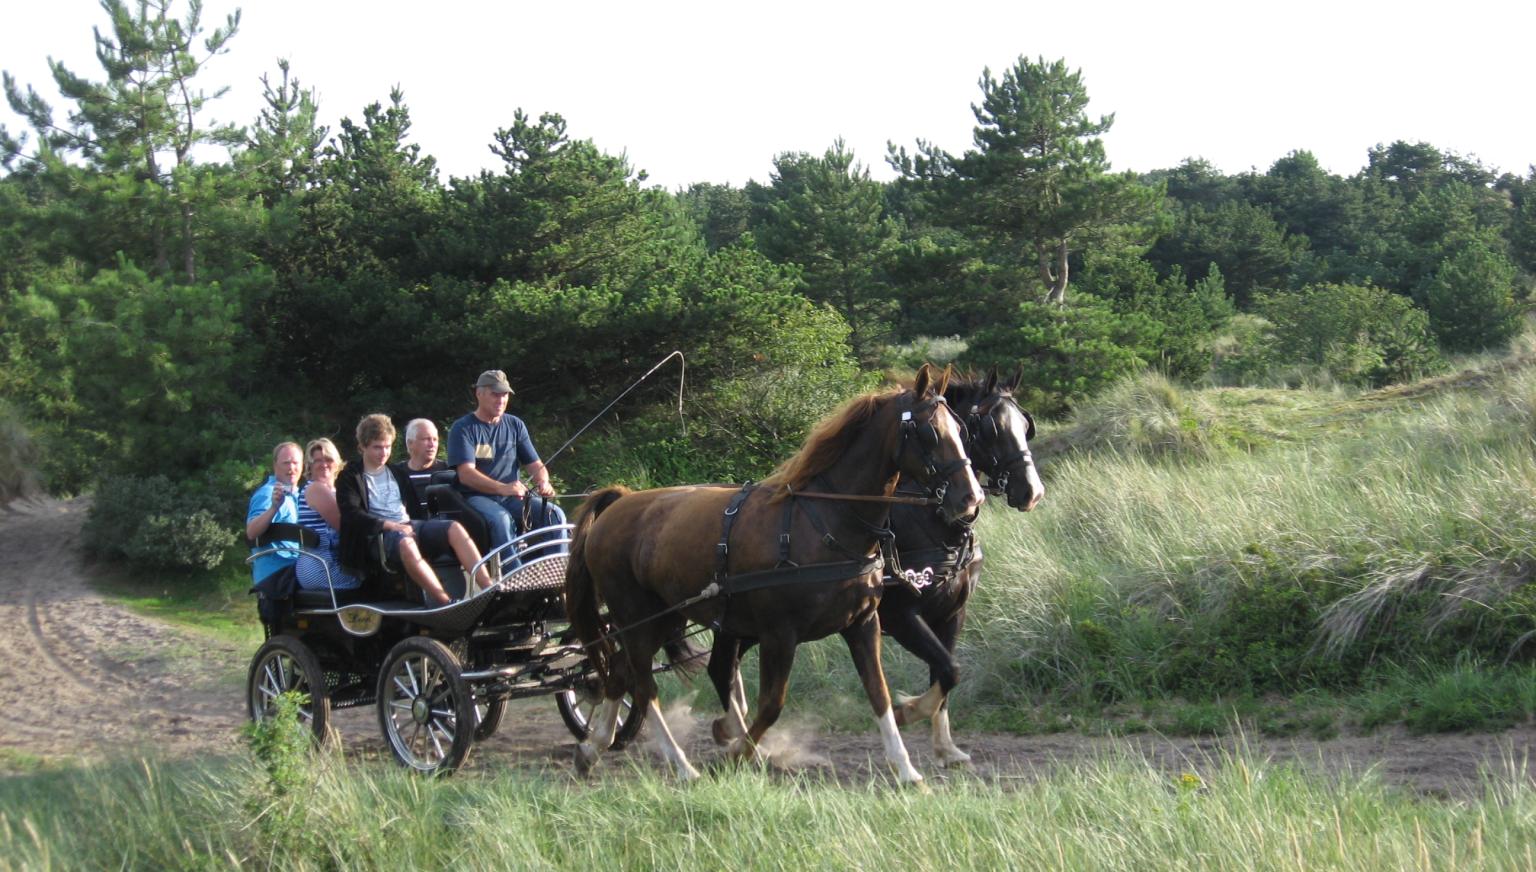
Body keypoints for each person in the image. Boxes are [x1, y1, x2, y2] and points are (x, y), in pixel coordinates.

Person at [336, 414, 494, 605]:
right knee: (406, 543)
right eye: (377, 447)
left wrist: (426, 531)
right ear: (363, 447)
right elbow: (352, 515)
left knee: (453, 528)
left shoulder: (397, 473)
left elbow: (414, 511)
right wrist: (390, 525)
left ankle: (490, 589)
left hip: (408, 526)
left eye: (387, 447)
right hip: (378, 536)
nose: (384, 452)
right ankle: (445, 602)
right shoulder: (350, 477)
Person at [446, 369, 566, 564]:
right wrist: (504, 488)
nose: (501, 400)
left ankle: (553, 570)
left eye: (505, 395)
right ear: (479, 393)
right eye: (495, 394)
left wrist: (543, 482)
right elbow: (466, 474)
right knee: (501, 520)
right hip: (475, 497)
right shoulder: (463, 428)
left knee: (555, 514)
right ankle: (514, 576)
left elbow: (535, 464)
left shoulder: (515, 425)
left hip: (512, 497)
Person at [294, 437, 360, 593]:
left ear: (336, 462)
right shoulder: (317, 489)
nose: (323, 464)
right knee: (371, 581)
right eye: (317, 461)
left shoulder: (333, 491)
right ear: (309, 465)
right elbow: (345, 527)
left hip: (324, 563)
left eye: (328, 459)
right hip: (320, 567)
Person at [246, 441, 303, 586]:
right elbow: (251, 532)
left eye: (295, 463)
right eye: (286, 463)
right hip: (277, 576)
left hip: (295, 570)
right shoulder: (268, 494)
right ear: (275, 465)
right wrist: (273, 508)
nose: (291, 468)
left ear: (303, 465)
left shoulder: (299, 496)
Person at [395, 417, 447, 513]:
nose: (432, 445)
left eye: (435, 440)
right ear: (410, 443)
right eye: (426, 439)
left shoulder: (448, 471)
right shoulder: (396, 473)